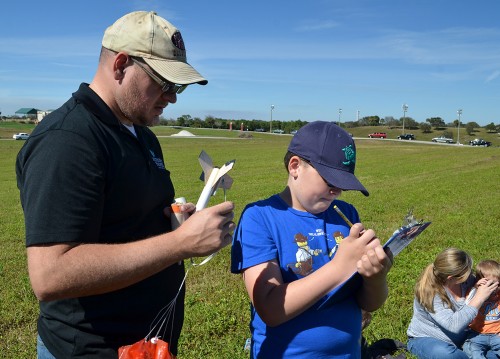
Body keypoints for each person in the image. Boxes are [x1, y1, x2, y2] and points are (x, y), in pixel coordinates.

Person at [15, 11, 235, 358]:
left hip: (144, 344)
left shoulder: (141, 135)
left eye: (176, 87)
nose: (172, 97)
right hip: (89, 349)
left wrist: (174, 222)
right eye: (164, 83)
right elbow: (50, 275)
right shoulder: (69, 140)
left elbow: (127, 220)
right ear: (120, 65)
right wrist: (178, 243)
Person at [231, 121, 393, 358]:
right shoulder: (260, 217)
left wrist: (376, 277)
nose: (336, 191)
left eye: (343, 185)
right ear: (295, 166)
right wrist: (339, 267)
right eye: (330, 181)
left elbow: (369, 303)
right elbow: (270, 308)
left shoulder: (346, 214)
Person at [406, 248, 498, 359]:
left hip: (466, 337)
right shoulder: (430, 292)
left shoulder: (467, 280)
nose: (471, 275)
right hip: (429, 339)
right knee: (446, 354)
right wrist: (479, 297)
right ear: (451, 278)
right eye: (467, 272)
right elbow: (453, 325)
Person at [463, 260, 500, 359]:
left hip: (497, 334)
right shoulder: (473, 293)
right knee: (471, 350)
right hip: (476, 334)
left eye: (497, 285)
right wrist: (475, 288)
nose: (494, 288)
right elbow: (466, 305)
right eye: (490, 284)